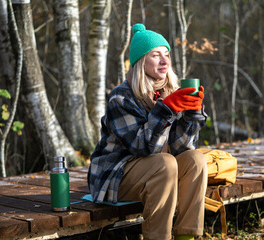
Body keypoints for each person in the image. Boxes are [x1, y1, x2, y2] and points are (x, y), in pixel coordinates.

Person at [87, 23, 208, 240]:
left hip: (156, 170)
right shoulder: (121, 98)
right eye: (155, 55)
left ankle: (186, 236)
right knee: (164, 163)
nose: (164, 61)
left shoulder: (170, 92)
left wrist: (192, 114)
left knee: (195, 159)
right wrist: (167, 109)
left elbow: (182, 147)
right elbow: (142, 148)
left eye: (166, 54)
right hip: (115, 175)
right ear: (141, 61)